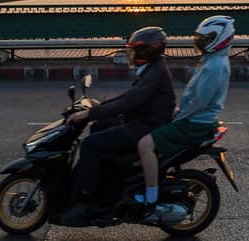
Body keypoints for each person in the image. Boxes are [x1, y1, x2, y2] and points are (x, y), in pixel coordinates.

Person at [60, 26, 176, 226]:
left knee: (90, 144)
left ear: (145, 52)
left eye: (134, 50)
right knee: (98, 127)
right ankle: (106, 182)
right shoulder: (153, 68)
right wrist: (99, 107)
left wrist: (88, 113)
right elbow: (128, 98)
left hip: (145, 127)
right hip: (141, 120)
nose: (130, 54)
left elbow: (128, 103)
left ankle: (86, 200)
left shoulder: (155, 73)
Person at [133, 16, 234, 209]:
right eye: (200, 39)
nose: (201, 42)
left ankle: (151, 196)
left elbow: (200, 102)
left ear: (221, 38)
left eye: (206, 38)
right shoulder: (213, 60)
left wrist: (177, 117)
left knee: (145, 144)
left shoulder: (215, 66)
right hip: (194, 119)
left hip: (194, 123)